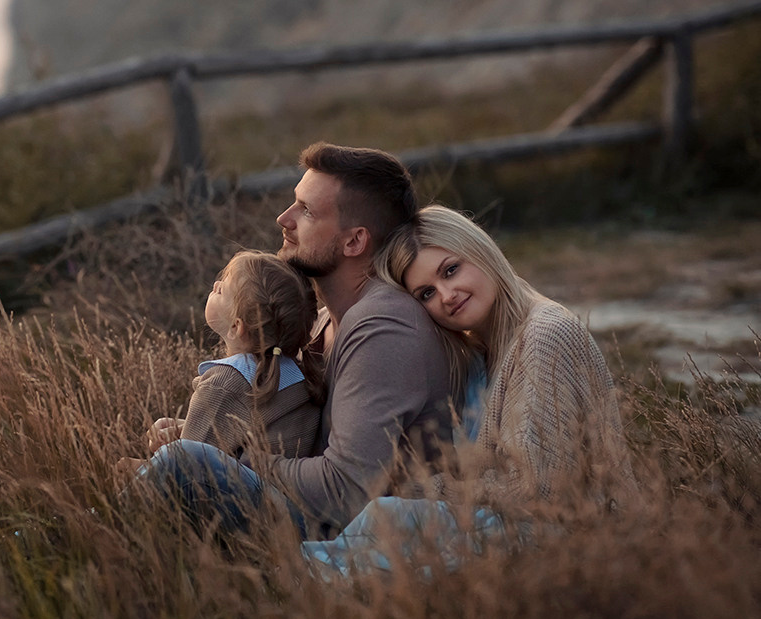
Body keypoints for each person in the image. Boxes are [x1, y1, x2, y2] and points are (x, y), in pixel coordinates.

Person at [135, 143, 455, 540]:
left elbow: (344, 490)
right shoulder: (324, 322)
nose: (283, 219)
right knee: (181, 458)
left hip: (339, 529)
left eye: (305, 211)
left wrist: (230, 457)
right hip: (298, 504)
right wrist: (205, 435)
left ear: (354, 242)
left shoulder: (383, 328)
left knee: (180, 465)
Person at [302, 204, 636, 576]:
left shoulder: (545, 335)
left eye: (451, 270)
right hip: (511, 525)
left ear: (479, 250)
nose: (446, 295)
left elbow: (539, 489)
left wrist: (421, 489)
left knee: (392, 516)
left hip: (572, 539)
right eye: (426, 293)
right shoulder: (481, 348)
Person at [117, 251, 324, 481]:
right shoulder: (295, 373)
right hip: (288, 499)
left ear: (236, 327)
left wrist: (144, 468)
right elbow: (245, 434)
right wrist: (181, 429)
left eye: (221, 289)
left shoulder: (225, 382)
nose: (215, 284)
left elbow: (184, 469)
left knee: (124, 470)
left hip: (246, 506)